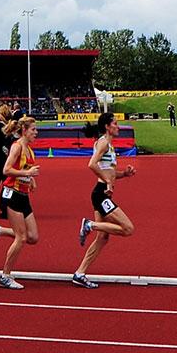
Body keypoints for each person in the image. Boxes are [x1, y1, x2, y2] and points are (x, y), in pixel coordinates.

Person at [73, 109, 134, 288]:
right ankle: (89, 225)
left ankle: (80, 273)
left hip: (102, 193)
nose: (118, 126)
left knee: (102, 238)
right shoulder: (103, 143)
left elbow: (110, 172)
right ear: (107, 127)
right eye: (115, 123)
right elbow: (91, 164)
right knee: (128, 228)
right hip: (101, 193)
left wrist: (124, 174)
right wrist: (107, 179)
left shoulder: (109, 144)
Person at [0, 115, 42, 290]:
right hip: (11, 194)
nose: (36, 132)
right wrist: (28, 175)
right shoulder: (17, 147)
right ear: (24, 130)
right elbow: (6, 170)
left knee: (33, 237)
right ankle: (5, 276)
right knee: (21, 238)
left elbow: (24, 169)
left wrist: (31, 180)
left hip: (23, 195)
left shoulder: (29, 149)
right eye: (33, 129)